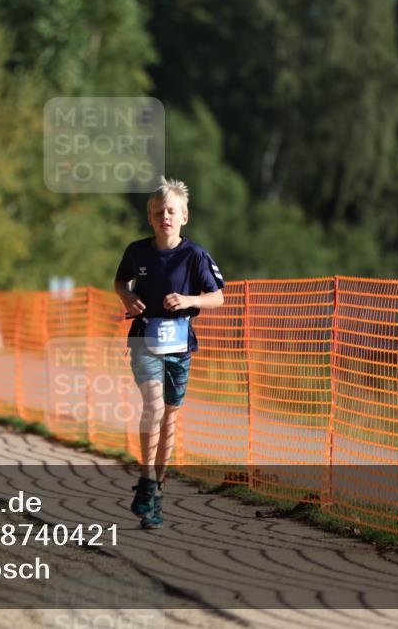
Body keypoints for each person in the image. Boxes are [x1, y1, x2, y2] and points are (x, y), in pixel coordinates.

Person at [114, 176, 225, 529]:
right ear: (150, 217)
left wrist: (190, 300)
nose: (165, 216)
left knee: (170, 418)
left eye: (171, 211)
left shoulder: (195, 256)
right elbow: (121, 281)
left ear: (184, 217)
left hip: (179, 345)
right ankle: (146, 480)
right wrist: (128, 297)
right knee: (154, 406)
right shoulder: (137, 252)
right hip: (144, 338)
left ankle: (157, 492)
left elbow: (218, 296)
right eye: (159, 211)